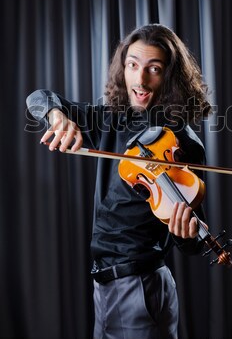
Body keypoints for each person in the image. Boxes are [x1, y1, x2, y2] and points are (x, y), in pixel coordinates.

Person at [26, 24, 212, 339]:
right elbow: (39, 98)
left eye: (154, 69)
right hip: (106, 285)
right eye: (132, 65)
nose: (140, 79)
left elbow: (194, 235)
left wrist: (184, 234)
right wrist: (58, 117)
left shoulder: (181, 143)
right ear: (122, 68)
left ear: (170, 76)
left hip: (140, 287)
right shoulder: (111, 119)